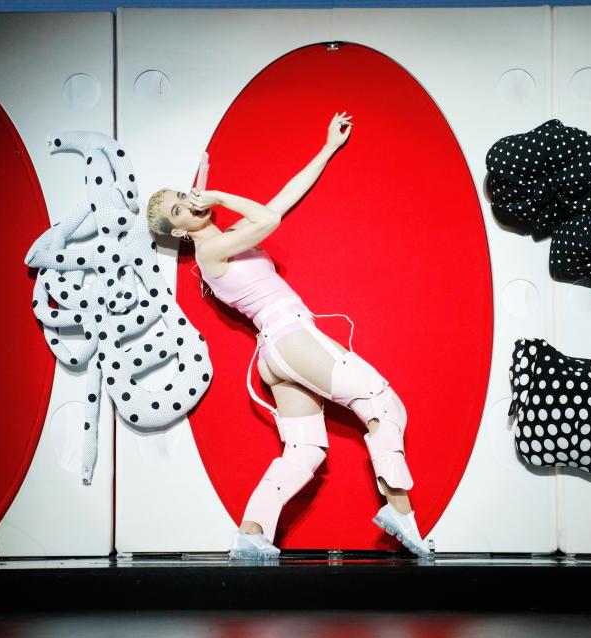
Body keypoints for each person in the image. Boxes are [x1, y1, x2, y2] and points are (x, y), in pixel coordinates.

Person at [146, 112, 430, 559]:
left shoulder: (229, 236)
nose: (187, 202)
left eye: (182, 195)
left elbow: (282, 199)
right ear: (178, 231)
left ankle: (251, 534)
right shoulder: (211, 250)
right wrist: (218, 195)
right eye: (177, 209)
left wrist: (327, 148)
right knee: (382, 403)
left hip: (276, 352)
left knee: (305, 451)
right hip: (288, 335)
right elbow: (269, 220)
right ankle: (400, 512)